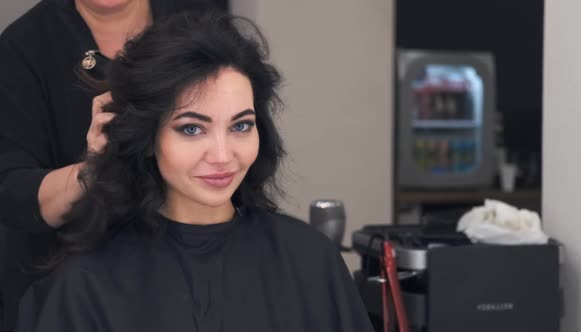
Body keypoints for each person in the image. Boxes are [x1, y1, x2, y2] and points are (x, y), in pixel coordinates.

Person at [15, 10, 374, 332]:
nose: (222, 155)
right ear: (148, 137)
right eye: (191, 128)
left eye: (240, 126)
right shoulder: (84, 285)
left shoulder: (309, 260)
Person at [0, 0, 221, 329]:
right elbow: (13, 192)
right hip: (73, 286)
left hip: (194, 269)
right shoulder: (22, 46)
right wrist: (92, 170)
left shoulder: (200, 19)